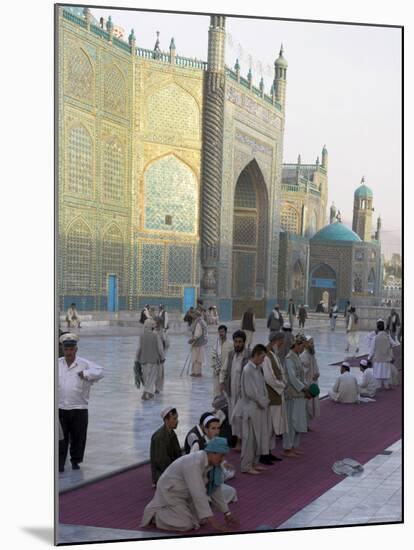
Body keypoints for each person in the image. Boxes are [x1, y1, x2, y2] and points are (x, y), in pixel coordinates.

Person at [141, 437, 239, 533]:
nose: (223, 459)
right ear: (212, 452)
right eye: (221, 456)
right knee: (186, 524)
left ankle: (173, 512)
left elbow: (215, 489)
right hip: (171, 492)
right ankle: (155, 516)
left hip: (186, 493)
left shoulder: (213, 465)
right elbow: (198, 493)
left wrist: (227, 513)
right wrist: (214, 522)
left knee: (201, 520)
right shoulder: (194, 463)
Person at [58, 333, 104, 472]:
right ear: (63, 350)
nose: (69, 352)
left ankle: (75, 460)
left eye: (71, 349)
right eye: (66, 349)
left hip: (79, 407)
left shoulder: (84, 364)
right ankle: (59, 463)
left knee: (78, 436)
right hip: (60, 408)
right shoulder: (57, 364)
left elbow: (100, 372)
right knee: (60, 438)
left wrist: (86, 374)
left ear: (76, 350)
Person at [187, 415, 237, 504]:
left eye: (218, 428)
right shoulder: (198, 445)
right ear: (206, 430)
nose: (216, 432)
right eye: (213, 428)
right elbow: (190, 466)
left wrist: (223, 463)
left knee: (231, 491)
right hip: (198, 482)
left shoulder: (218, 443)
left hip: (211, 482)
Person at [240, 344, 270, 474]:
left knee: (260, 436)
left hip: (260, 407)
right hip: (252, 408)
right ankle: (246, 465)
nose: (263, 360)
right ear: (256, 355)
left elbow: (262, 387)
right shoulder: (247, 370)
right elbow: (250, 391)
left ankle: (255, 462)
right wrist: (260, 401)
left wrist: (264, 401)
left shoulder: (258, 368)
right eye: (262, 357)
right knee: (250, 438)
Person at [219, 330, 250, 451]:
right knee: (233, 417)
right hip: (231, 393)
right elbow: (224, 370)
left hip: (244, 394)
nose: (237, 344)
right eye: (236, 342)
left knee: (240, 417)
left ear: (244, 342)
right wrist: (222, 382)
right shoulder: (231, 354)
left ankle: (240, 441)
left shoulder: (248, 355)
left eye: (240, 342)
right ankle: (236, 440)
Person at [262, 332, 288, 463]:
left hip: (277, 395)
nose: (282, 344)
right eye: (281, 341)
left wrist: (283, 383)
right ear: (276, 341)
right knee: (268, 426)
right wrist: (282, 385)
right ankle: (263, 454)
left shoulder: (273, 354)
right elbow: (269, 378)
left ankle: (269, 451)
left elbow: (280, 373)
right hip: (271, 396)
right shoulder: (266, 355)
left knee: (273, 426)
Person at [282, 334, 309, 457]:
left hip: (300, 395)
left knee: (298, 422)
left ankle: (293, 446)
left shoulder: (296, 357)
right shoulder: (289, 358)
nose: (303, 349)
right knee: (291, 422)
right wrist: (304, 388)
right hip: (292, 395)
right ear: (297, 345)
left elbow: (301, 376)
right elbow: (292, 378)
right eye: (302, 346)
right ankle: (287, 448)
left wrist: (306, 387)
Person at [150, 407, 181, 487]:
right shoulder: (159, 437)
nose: (177, 421)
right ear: (166, 420)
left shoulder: (172, 433)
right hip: (162, 474)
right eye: (174, 419)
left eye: (177, 418)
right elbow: (162, 462)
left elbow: (178, 453)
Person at [135, 318, 165, 400]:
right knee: (152, 377)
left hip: (144, 360)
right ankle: (147, 392)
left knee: (146, 377)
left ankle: (148, 392)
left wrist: (136, 359)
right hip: (154, 360)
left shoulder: (141, 336)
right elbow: (160, 349)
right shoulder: (156, 336)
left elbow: (139, 348)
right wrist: (162, 357)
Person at [300, 336, 320, 427]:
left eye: (313, 343)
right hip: (307, 384)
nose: (312, 345)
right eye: (310, 343)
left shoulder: (312, 355)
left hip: (313, 382)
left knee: (311, 405)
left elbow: (316, 367)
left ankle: (307, 425)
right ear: (306, 344)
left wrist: (317, 373)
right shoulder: (304, 356)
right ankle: (304, 424)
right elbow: (302, 372)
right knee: (306, 405)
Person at [368, 319, 394, 390]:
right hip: (386, 358)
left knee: (378, 374)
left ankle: (378, 386)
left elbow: (372, 349)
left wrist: (369, 358)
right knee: (385, 373)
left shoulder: (375, 338)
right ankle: (386, 385)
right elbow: (393, 344)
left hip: (378, 359)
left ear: (377, 327)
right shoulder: (387, 337)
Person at [210, 325, 233, 397]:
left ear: (226, 332)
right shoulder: (216, 344)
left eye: (222, 332)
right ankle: (217, 406)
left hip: (226, 372)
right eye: (219, 332)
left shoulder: (230, 344)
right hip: (217, 371)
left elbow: (232, 358)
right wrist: (215, 367)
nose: (221, 333)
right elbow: (212, 356)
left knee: (226, 390)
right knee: (216, 390)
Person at [189, 310, 208, 377]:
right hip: (201, 343)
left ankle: (196, 373)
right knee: (198, 358)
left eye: (193, 314)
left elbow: (197, 334)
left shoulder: (198, 323)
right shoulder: (201, 321)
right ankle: (197, 372)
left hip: (197, 343)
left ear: (196, 315)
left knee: (196, 359)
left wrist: (192, 340)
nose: (192, 315)